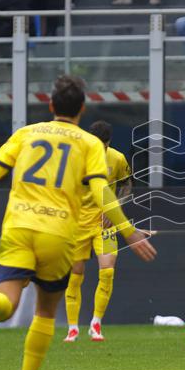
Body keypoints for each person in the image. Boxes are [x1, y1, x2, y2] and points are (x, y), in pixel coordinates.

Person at [0, 76, 156, 370]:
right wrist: (128, 230)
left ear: (50, 106)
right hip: (58, 231)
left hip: (18, 227)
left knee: (8, 306)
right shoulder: (90, 144)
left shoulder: (25, 134)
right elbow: (101, 191)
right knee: (45, 313)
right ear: (82, 108)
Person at [63, 120, 134, 343]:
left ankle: (96, 324)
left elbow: (127, 186)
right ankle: (72, 328)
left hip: (104, 225)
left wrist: (115, 207)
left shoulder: (117, 158)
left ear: (108, 143)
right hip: (79, 224)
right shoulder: (75, 159)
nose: (99, 150)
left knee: (107, 271)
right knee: (75, 276)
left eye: (103, 146)